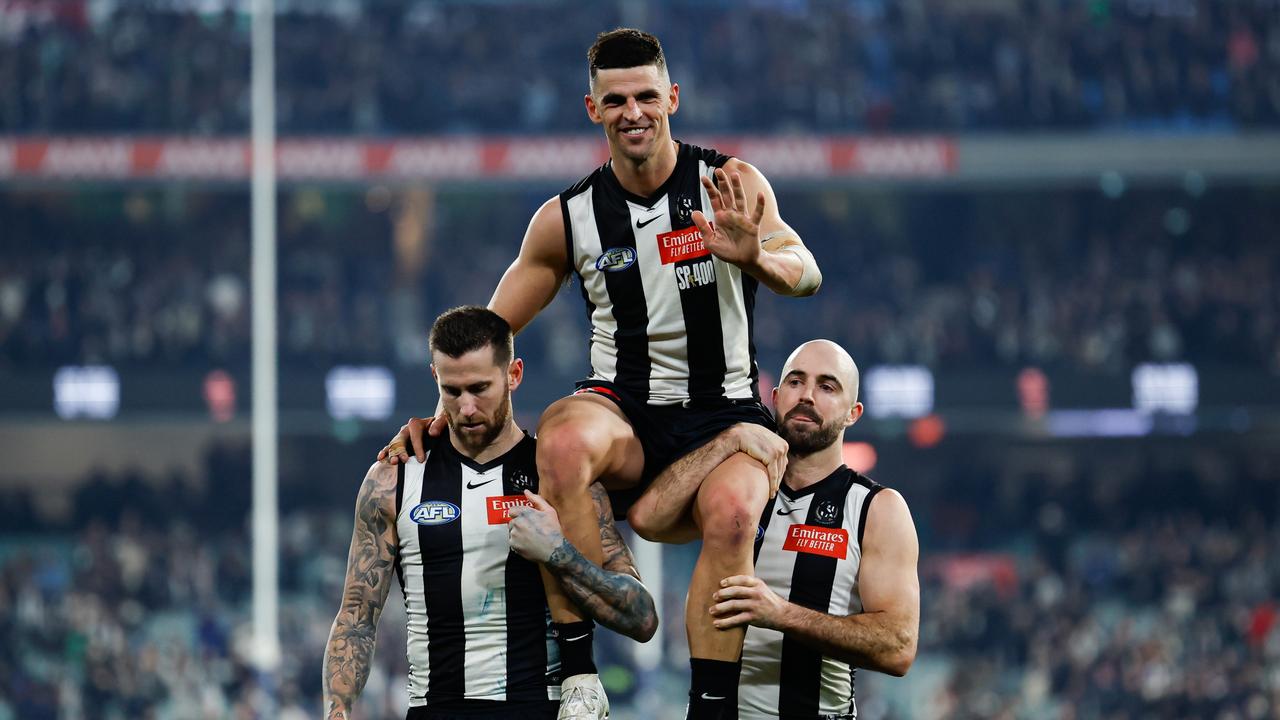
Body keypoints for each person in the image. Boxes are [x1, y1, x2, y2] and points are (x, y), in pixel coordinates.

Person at [382, 28, 819, 720]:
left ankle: (710, 704)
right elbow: (489, 337)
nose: (633, 112)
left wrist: (757, 258)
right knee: (556, 440)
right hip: (626, 411)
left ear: (672, 98)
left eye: (647, 96)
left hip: (727, 409)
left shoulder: (729, 184)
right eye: (615, 100)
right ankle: (580, 674)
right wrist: (442, 408)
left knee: (735, 513)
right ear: (593, 110)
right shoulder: (567, 218)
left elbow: (807, 272)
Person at [327, 306, 658, 720]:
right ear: (435, 379)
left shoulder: (559, 476)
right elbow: (357, 617)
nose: (466, 408)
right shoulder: (393, 480)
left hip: (539, 707)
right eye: (452, 391)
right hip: (436, 709)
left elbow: (642, 618)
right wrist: (337, 711)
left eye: (480, 388)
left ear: (513, 375)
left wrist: (559, 554)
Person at [636, 340, 920, 718]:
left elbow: (897, 647)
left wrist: (781, 614)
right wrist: (727, 441)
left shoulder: (877, 508)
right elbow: (647, 518)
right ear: (773, 395)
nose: (806, 396)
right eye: (795, 382)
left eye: (827, 386)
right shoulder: (735, 488)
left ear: (853, 413)